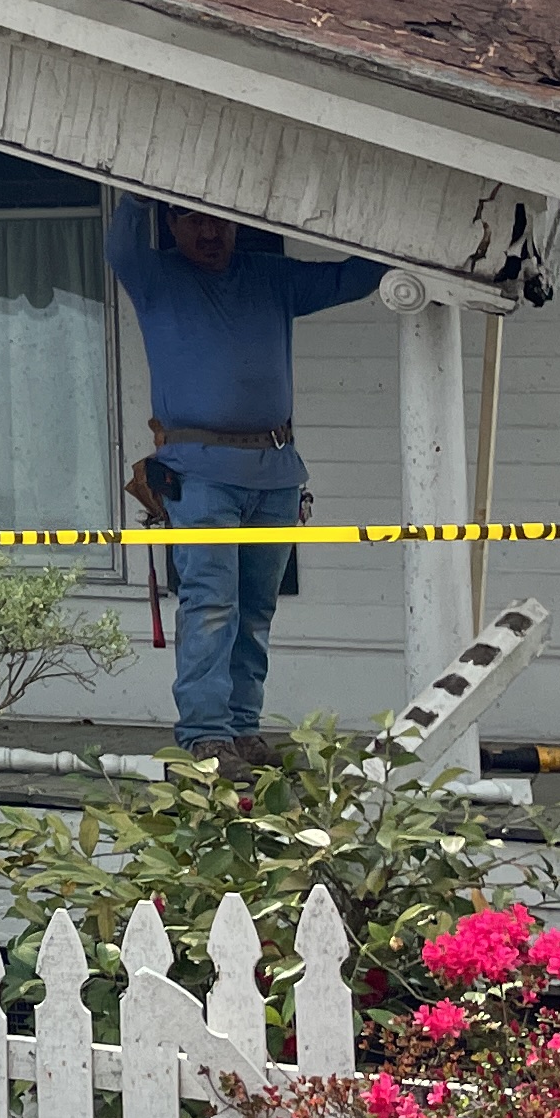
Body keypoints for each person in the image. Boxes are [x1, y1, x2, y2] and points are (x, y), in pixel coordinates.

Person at [103, 195, 386, 764]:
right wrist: (140, 180)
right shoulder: (154, 276)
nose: (210, 231)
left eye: (220, 219)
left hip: (276, 472)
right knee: (210, 603)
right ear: (171, 225)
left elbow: (351, 277)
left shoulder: (269, 277)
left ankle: (241, 727)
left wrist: (402, 233)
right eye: (194, 219)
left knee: (255, 607)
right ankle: (206, 734)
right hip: (199, 474)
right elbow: (121, 240)